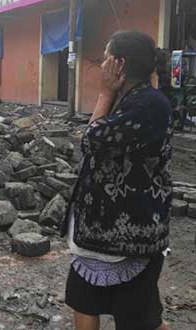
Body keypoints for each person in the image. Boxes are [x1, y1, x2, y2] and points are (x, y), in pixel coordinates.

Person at [62, 31, 173, 330]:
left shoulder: (146, 104)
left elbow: (92, 140)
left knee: (140, 320)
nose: (101, 65)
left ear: (118, 64)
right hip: (104, 233)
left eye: (105, 57)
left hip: (125, 236)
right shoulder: (135, 99)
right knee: (84, 302)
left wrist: (104, 94)